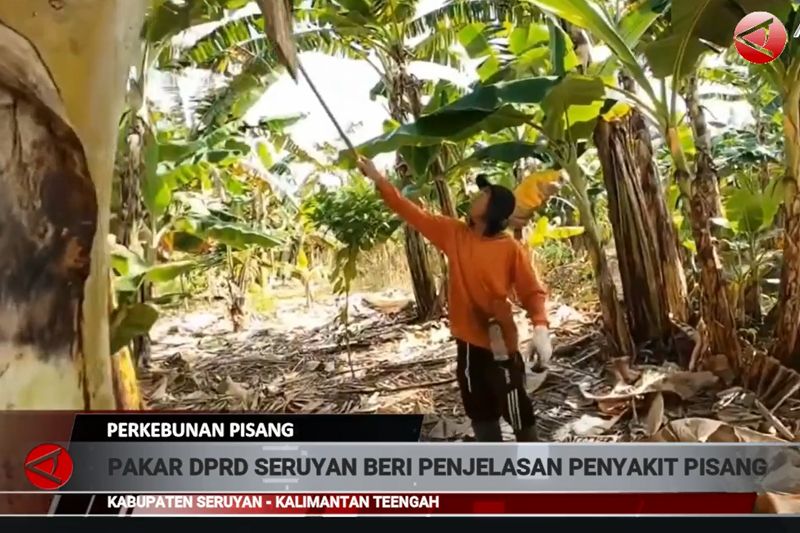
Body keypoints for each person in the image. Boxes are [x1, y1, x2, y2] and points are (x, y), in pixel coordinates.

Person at [356, 157, 552, 442]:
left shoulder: (509, 248)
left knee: (516, 407)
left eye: (484, 194)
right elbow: (411, 212)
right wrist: (377, 178)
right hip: (468, 343)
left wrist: (541, 328)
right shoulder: (455, 234)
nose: (476, 195)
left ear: (493, 210)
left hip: (500, 344)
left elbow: (531, 291)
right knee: (479, 408)